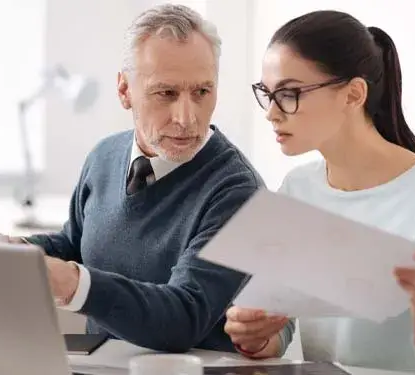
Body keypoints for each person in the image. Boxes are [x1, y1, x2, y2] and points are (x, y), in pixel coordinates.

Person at [223, 10, 415, 372]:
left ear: (353, 94)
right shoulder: (297, 189)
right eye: (267, 94)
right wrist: (255, 333)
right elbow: (279, 332)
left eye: (289, 93)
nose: (272, 113)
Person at [16, 4, 263, 353]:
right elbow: (76, 243)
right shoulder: (103, 157)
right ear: (124, 90)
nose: (186, 118)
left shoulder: (238, 191)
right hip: (99, 365)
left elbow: (184, 315)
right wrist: (15, 251)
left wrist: (73, 284)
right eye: (166, 93)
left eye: (202, 92)